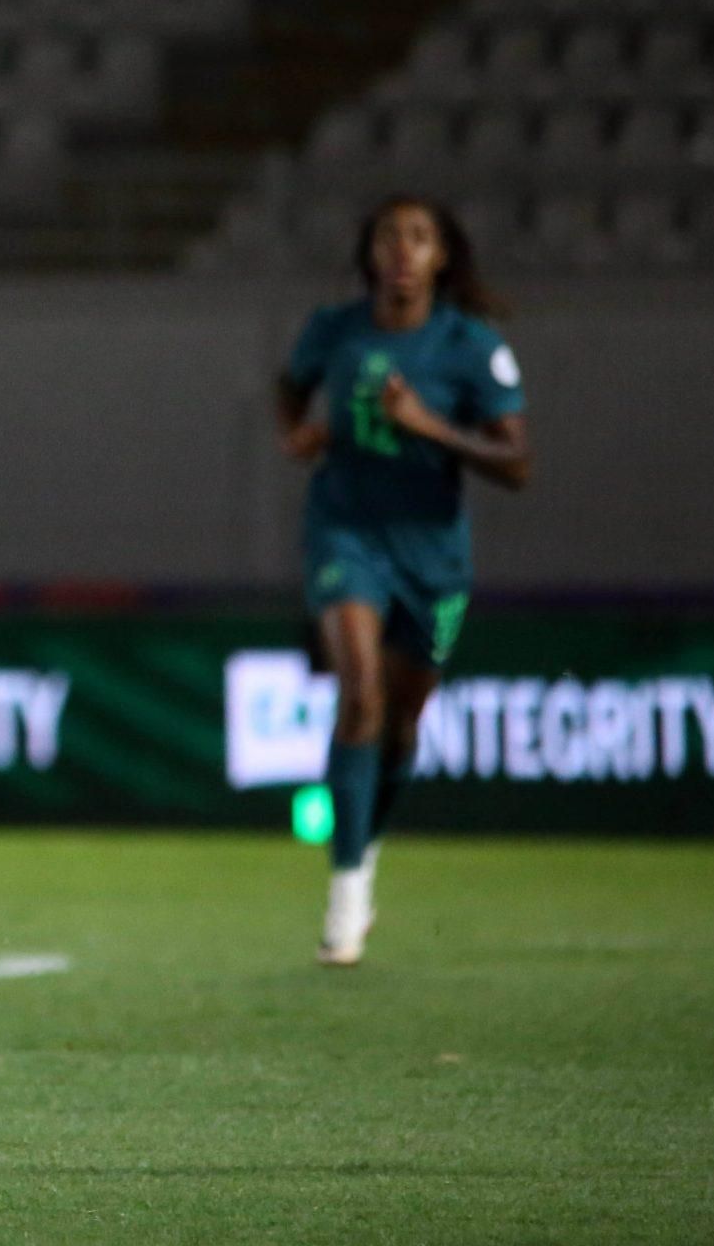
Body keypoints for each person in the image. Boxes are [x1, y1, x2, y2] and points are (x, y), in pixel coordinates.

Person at [277, 194, 530, 967]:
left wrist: (432, 429)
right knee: (360, 692)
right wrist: (299, 431)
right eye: (388, 235)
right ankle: (345, 891)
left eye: (419, 237)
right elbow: (290, 388)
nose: (402, 249)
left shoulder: (471, 347)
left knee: (405, 722)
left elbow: (517, 464)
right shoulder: (334, 330)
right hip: (346, 533)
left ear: (442, 256)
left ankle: (367, 843)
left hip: (434, 559)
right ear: (370, 253)